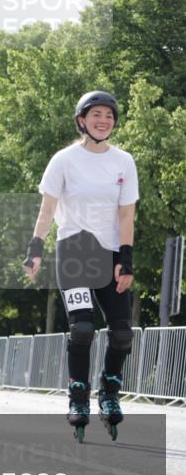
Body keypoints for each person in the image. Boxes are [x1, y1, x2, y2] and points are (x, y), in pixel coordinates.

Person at [24, 90, 139, 441]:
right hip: (74, 251)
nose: (103, 120)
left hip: (110, 255)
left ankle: (109, 389)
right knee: (83, 328)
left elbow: (126, 214)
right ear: (81, 120)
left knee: (121, 333)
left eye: (109, 115)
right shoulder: (64, 160)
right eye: (96, 115)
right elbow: (47, 209)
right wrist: (35, 248)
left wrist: (126, 258)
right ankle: (78, 396)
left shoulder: (124, 161)